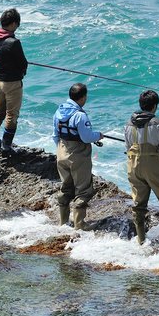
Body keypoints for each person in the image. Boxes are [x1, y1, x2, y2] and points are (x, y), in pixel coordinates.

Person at [124, 90, 159, 244]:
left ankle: (141, 241)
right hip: (153, 163)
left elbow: (128, 146)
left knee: (139, 205)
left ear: (141, 105)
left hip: (133, 164)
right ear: (154, 106)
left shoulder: (128, 124)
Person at [53, 83, 104, 230]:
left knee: (65, 188)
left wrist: (61, 149)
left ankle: (63, 223)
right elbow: (86, 137)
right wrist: (98, 136)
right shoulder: (80, 116)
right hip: (78, 155)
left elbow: (55, 135)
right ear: (83, 98)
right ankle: (79, 225)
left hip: (61, 151)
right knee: (83, 190)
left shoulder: (59, 111)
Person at [0, 7, 28, 155]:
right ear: (13, 24)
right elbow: (23, 63)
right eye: (17, 23)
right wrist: (21, 72)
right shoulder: (13, 42)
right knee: (11, 115)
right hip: (12, 83)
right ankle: (6, 146)